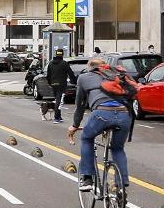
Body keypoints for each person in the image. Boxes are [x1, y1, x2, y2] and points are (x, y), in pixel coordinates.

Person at [68, 56, 134, 194]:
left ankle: (87, 178)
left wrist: (75, 125)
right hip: (124, 114)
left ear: (89, 67)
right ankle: (122, 182)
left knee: (86, 138)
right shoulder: (117, 75)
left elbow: (80, 105)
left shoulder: (84, 78)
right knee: (117, 148)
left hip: (101, 114)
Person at [45, 48, 76, 124]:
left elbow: (48, 75)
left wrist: (50, 83)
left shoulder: (51, 63)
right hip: (61, 84)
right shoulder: (64, 63)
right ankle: (56, 117)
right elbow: (71, 74)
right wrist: (75, 81)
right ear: (62, 54)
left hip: (53, 84)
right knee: (59, 100)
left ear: (56, 54)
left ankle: (58, 116)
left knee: (57, 99)